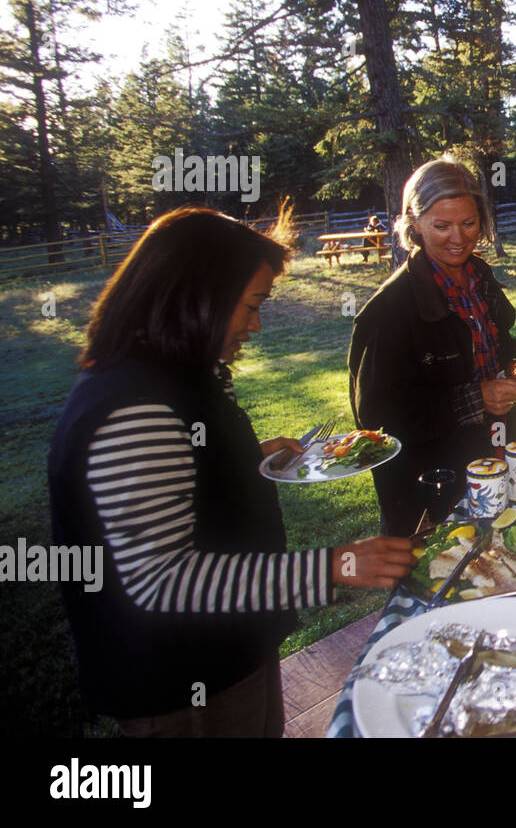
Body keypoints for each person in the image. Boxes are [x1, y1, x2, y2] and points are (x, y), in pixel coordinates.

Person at [48, 208, 417, 737]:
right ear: (195, 297)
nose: (255, 325)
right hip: (182, 682)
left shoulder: (176, 375)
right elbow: (159, 579)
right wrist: (335, 566)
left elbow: (174, 476)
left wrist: (241, 458)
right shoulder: (137, 409)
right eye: (250, 306)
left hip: (227, 651)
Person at [348, 158, 516, 537]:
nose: (459, 238)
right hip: (431, 486)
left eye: (469, 223)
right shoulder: (388, 310)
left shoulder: (481, 278)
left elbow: (494, 348)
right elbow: (376, 421)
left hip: (497, 453)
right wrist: (476, 398)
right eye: (441, 226)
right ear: (414, 224)